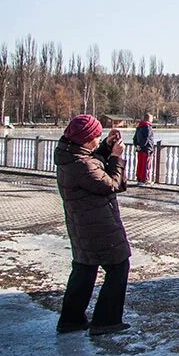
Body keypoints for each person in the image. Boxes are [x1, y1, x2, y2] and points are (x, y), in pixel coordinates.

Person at [54, 114, 133, 335]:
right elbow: (110, 184)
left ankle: (71, 320)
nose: (99, 138)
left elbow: (93, 164)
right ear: (86, 138)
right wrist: (116, 158)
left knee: (85, 268)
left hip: (83, 225)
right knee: (119, 266)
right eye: (97, 136)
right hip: (97, 224)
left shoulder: (70, 156)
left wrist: (107, 148)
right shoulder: (80, 164)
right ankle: (106, 321)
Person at [132, 113, 155, 184]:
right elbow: (147, 139)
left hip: (140, 149)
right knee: (146, 165)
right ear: (149, 119)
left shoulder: (139, 127)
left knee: (140, 165)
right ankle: (145, 180)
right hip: (147, 149)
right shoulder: (148, 127)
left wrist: (137, 146)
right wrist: (143, 146)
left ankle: (139, 179)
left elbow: (134, 138)